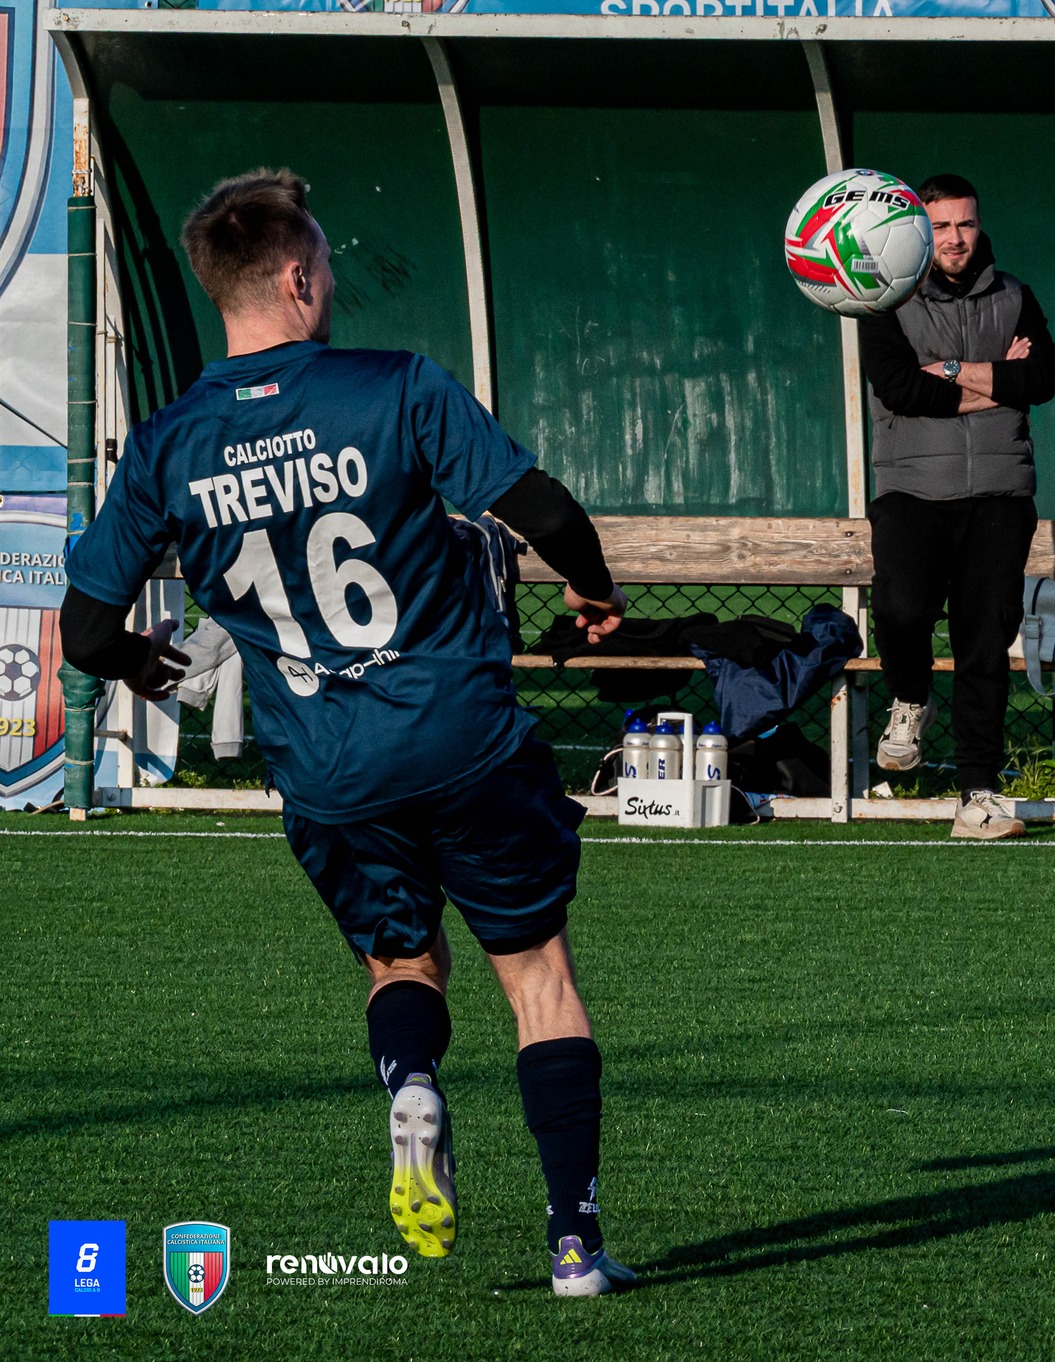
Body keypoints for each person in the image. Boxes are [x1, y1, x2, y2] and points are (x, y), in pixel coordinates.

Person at [59, 169, 636, 1297]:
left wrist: (137, 661)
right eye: (323, 265)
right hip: (463, 740)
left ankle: (412, 1082)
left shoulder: (168, 443)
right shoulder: (396, 386)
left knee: (401, 960)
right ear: (296, 277)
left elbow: (83, 631)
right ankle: (573, 1243)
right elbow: (547, 512)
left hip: (329, 771)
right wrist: (593, 587)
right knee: (536, 976)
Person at [858, 173, 1055, 840]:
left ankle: (978, 795)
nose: (954, 238)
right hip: (911, 490)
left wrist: (945, 370)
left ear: (979, 226)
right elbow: (900, 390)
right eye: (941, 225)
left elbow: (1044, 378)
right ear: (920, 229)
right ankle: (911, 698)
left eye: (965, 224)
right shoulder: (885, 298)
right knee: (901, 610)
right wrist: (999, 379)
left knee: (984, 643)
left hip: (1000, 494)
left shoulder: (1014, 294)